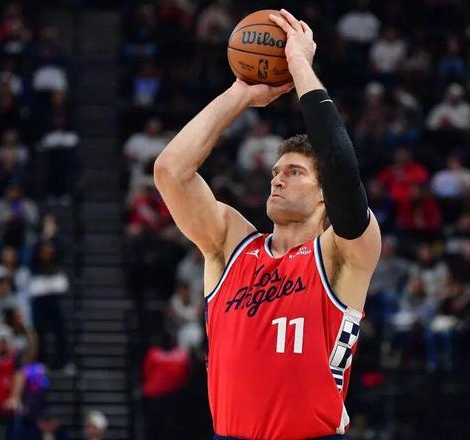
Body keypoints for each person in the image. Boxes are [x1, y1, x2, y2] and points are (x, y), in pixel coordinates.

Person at [154, 9, 381, 440]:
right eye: (276, 172)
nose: (277, 179)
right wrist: (240, 94)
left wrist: (299, 64)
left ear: (323, 194)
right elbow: (170, 171)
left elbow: (340, 166)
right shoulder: (230, 243)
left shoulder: (342, 253)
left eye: (294, 172)